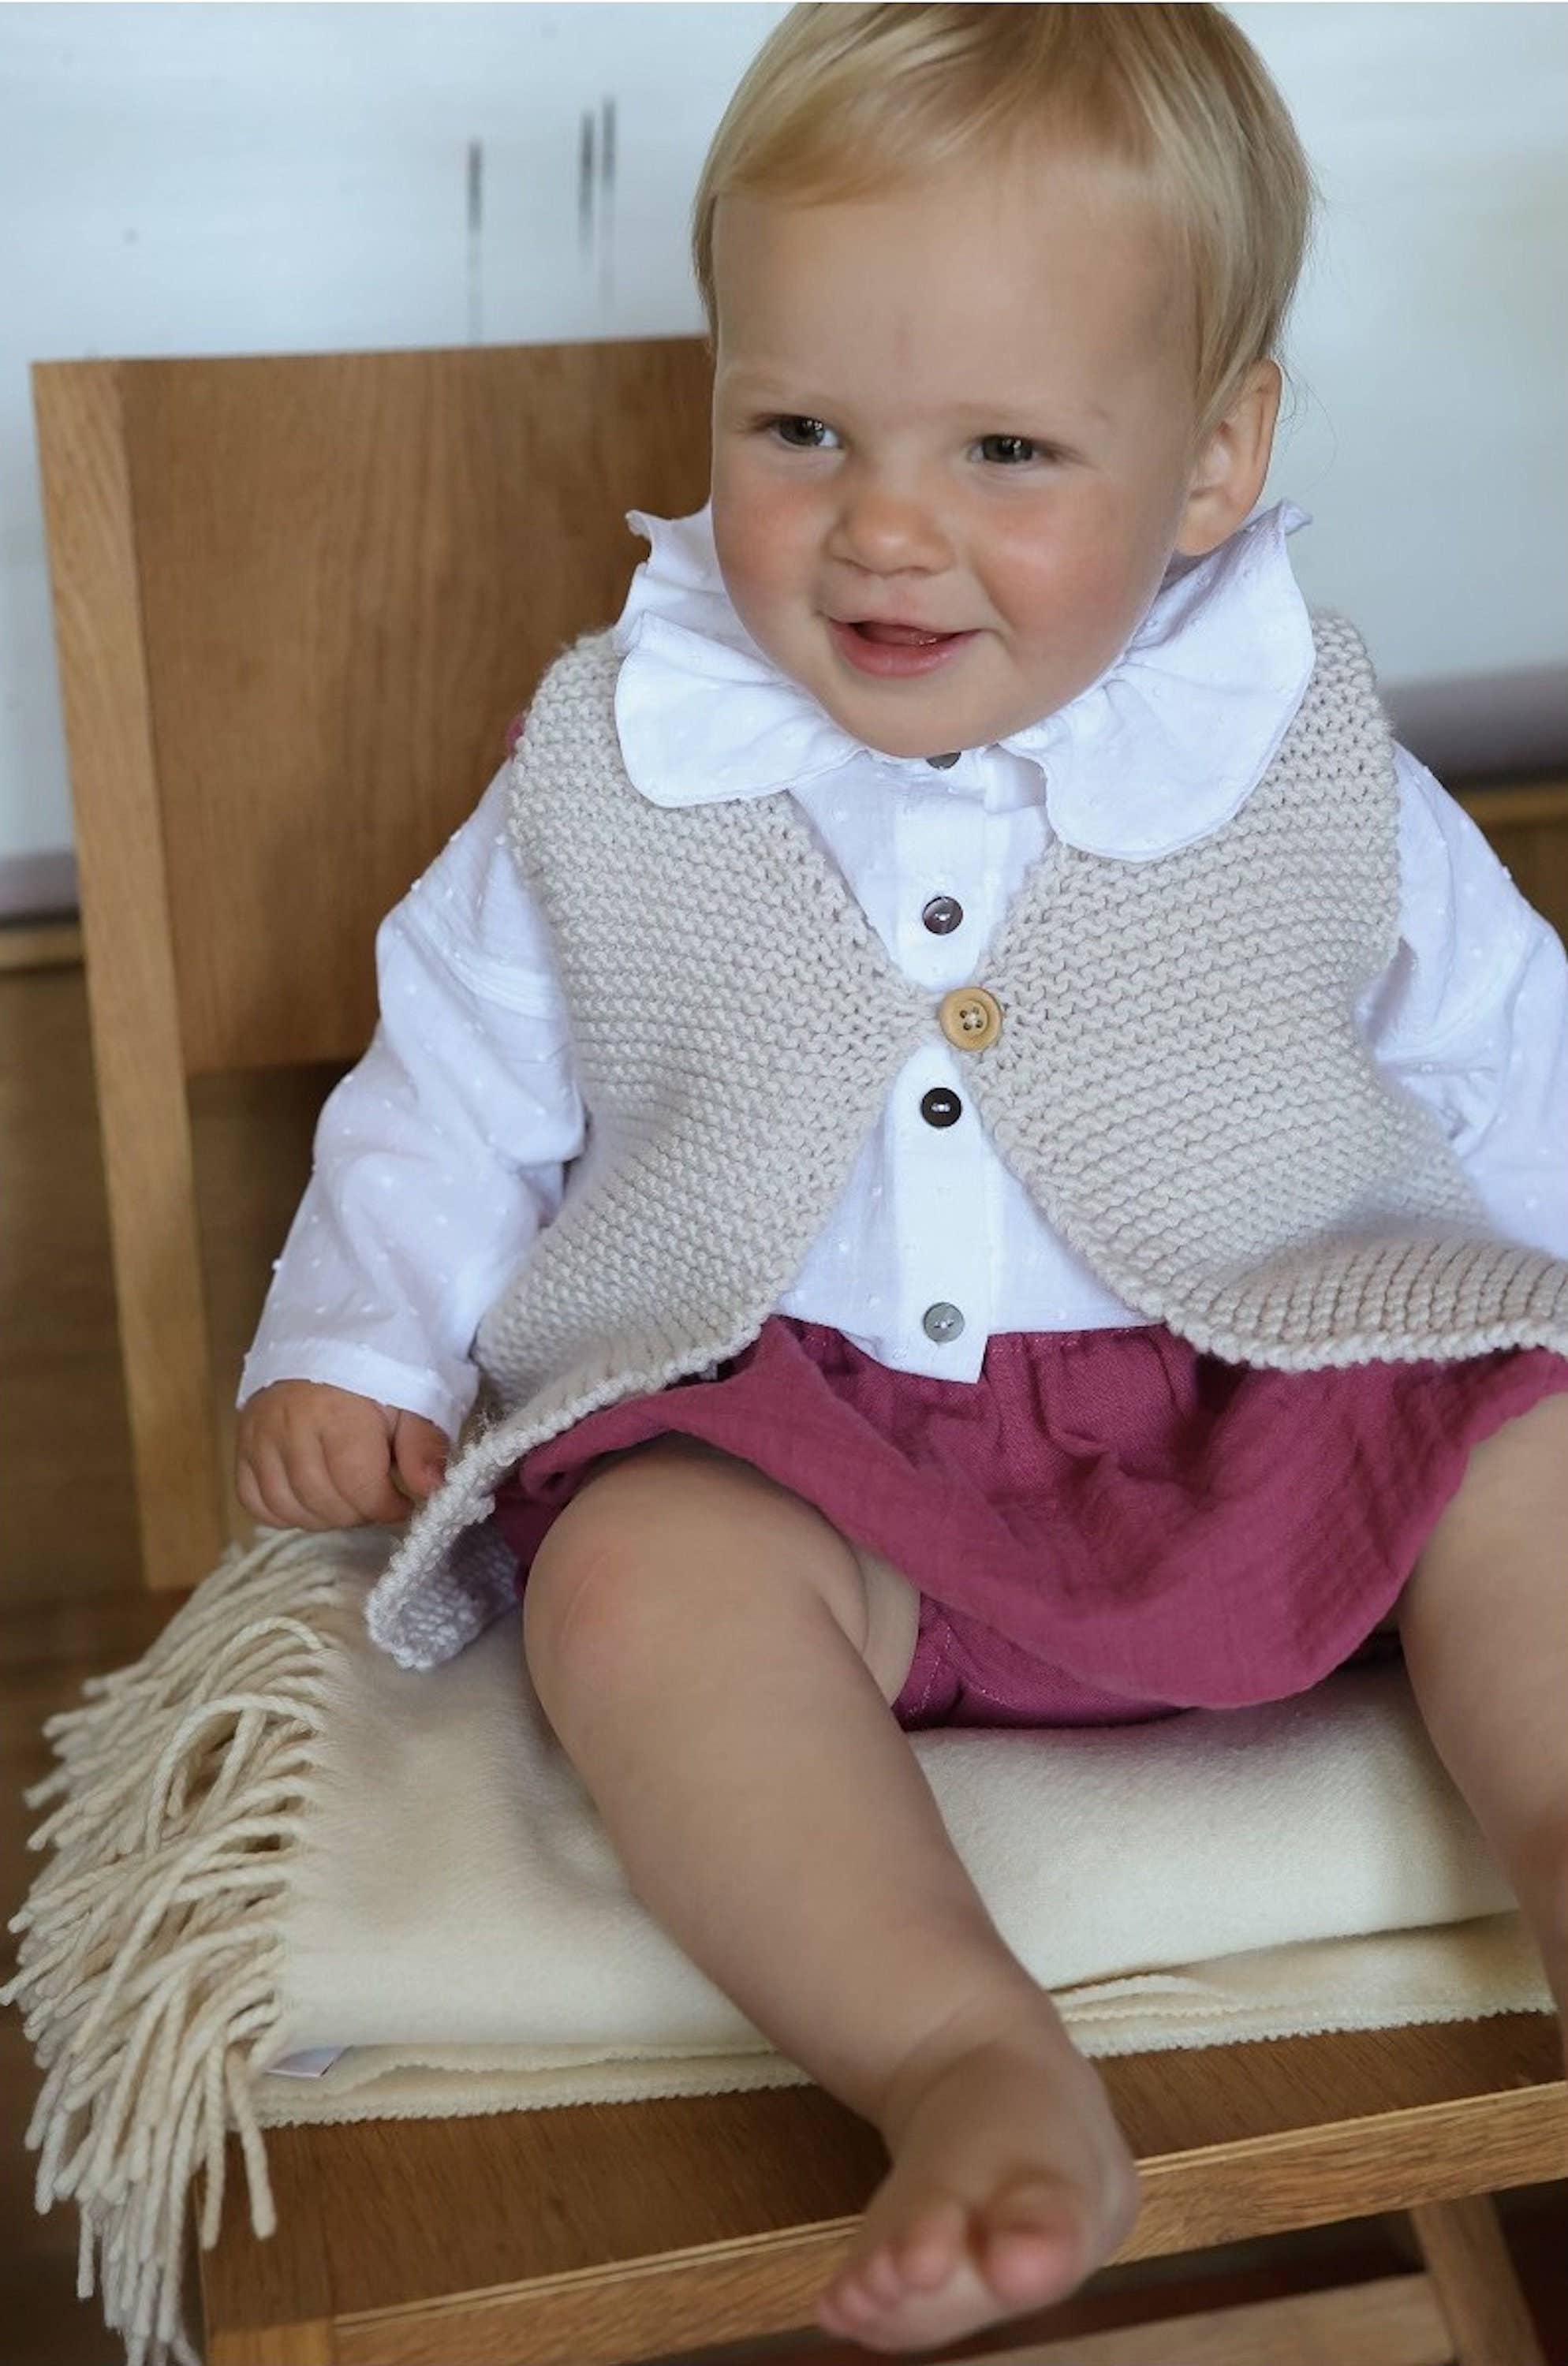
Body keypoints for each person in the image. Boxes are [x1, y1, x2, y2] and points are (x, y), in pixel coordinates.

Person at [235, 6, 1568, 2349]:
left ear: (1211, 461)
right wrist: (358, 1338)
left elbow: (1501, 1053)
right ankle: (958, 2053)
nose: (881, 523)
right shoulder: (618, 756)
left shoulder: (1295, 740)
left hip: (1268, 1405)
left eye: (1007, 450)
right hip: (819, 1463)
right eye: (800, 430)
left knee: (1530, 1467)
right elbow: (451, 1071)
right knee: (632, 1582)